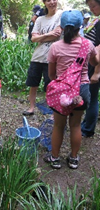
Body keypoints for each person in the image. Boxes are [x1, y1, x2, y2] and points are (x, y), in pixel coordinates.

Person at [43, 10, 98, 169]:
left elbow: (52, 74)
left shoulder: (55, 47)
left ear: (61, 26)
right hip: (82, 91)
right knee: (76, 125)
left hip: (62, 92)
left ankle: (55, 158)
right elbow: (94, 63)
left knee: (59, 126)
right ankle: (73, 159)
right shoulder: (88, 45)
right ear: (80, 26)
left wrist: (63, 84)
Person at [23, 0, 63, 116]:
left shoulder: (61, 15)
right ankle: (31, 108)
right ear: (44, 3)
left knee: (51, 86)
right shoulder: (40, 19)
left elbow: (58, 33)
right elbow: (33, 39)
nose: (52, 2)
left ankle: (51, 111)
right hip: (37, 56)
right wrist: (48, 35)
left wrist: (40, 37)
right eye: (48, 0)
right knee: (33, 84)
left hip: (52, 58)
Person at [81, 0, 100, 138]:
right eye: (89, 6)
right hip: (92, 63)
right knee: (91, 96)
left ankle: (88, 129)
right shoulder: (97, 21)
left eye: (93, 5)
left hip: (95, 65)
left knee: (92, 97)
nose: (91, 9)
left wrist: (97, 72)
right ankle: (87, 124)